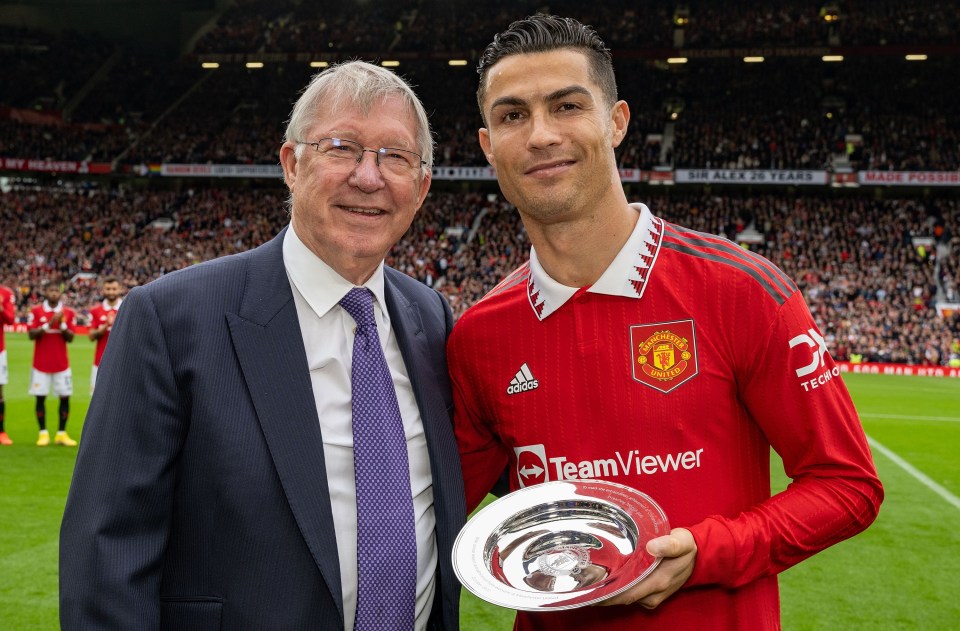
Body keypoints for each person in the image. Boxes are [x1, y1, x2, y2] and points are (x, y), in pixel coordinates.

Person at [448, 15, 883, 630]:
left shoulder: (741, 290)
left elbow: (848, 485)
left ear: (617, 122)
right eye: (512, 115)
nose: (541, 135)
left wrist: (708, 552)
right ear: (489, 144)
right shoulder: (479, 337)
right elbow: (434, 515)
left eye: (567, 105)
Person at [60, 61, 465, 630]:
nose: (368, 177)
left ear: (421, 188)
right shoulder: (171, 318)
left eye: (395, 157)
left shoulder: (431, 318)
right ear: (292, 164)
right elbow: (106, 559)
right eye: (342, 147)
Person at [27, 280, 78, 447]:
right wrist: (48, 324)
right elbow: (31, 334)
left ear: (60, 293)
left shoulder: (68, 312)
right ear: (45, 292)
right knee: (40, 397)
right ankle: (43, 433)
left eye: (57, 290)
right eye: (51, 290)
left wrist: (61, 323)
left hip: (61, 364)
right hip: (40, 364)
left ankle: (61, 434)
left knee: (65, 397)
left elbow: (70, 338)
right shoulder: (35, 311)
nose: (54, 293)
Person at [87, 276, 123, 393]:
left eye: (114, 289)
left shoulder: (127, 309)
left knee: (121, 399)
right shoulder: (95, 311)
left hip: (122, 364)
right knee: (96, 400)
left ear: (120, 289)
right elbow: (91, 336)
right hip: (99, 363)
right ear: (103, 290)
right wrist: (106, 325)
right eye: (108, 289)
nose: (111, 292)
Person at [0, 282, 16, 445]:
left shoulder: (5, 293)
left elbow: (10, 320)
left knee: (0, 392)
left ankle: (1, 431)